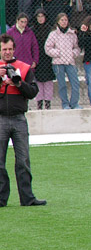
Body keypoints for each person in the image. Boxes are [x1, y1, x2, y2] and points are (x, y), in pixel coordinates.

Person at [0, 34, 46, 208]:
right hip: (1, 118)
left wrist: (19, 83)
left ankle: (27, 198)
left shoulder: (24, 68)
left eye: (10, 49)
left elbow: (33, 92)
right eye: (4, 49)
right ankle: (1, 198)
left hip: (19, 118)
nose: (7, 52)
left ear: (14, 49)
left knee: (23, 160)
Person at [44, 13, 81, 109]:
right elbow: (47, 48)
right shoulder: (53, 34)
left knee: (75, 83)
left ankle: (74, 103)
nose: (64, 22)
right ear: (58, 22)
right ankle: (65, 104)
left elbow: (77, 47)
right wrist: (58, 53)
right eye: (62, 20)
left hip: (70, 62)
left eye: (65, 20)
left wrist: (73, 54)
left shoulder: (72, 34)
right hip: (58, 63)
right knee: (62, 85)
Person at [32, 9, 55, 109]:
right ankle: (39, 102)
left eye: (42, 16)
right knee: (38, 81)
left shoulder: (50, 29)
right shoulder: (32, 30)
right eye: (38, 16)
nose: (40, 19)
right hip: (37, 57)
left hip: (48, 57)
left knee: (48, 80)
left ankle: (48, 102)